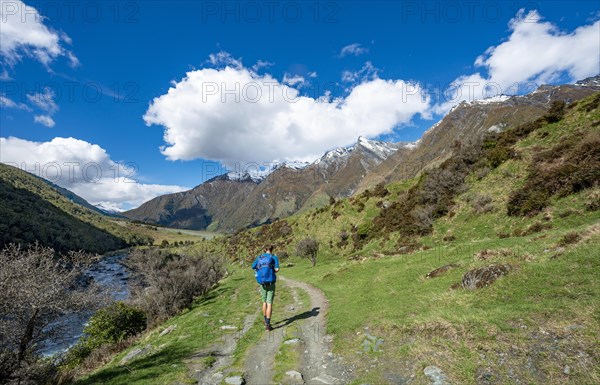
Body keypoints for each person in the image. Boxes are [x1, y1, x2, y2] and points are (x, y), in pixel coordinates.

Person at [251, 245, 280, 331]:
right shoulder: (274, 257)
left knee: (264, 302)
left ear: (265, 250)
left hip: (262, 282)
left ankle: (265, 321)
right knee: (269, 303)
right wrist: (272, 270)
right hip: (271, 282)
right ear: (272, 250)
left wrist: (260, 271)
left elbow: (253, 266)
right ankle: (268, 324)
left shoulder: (259, 257)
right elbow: (277, 269)